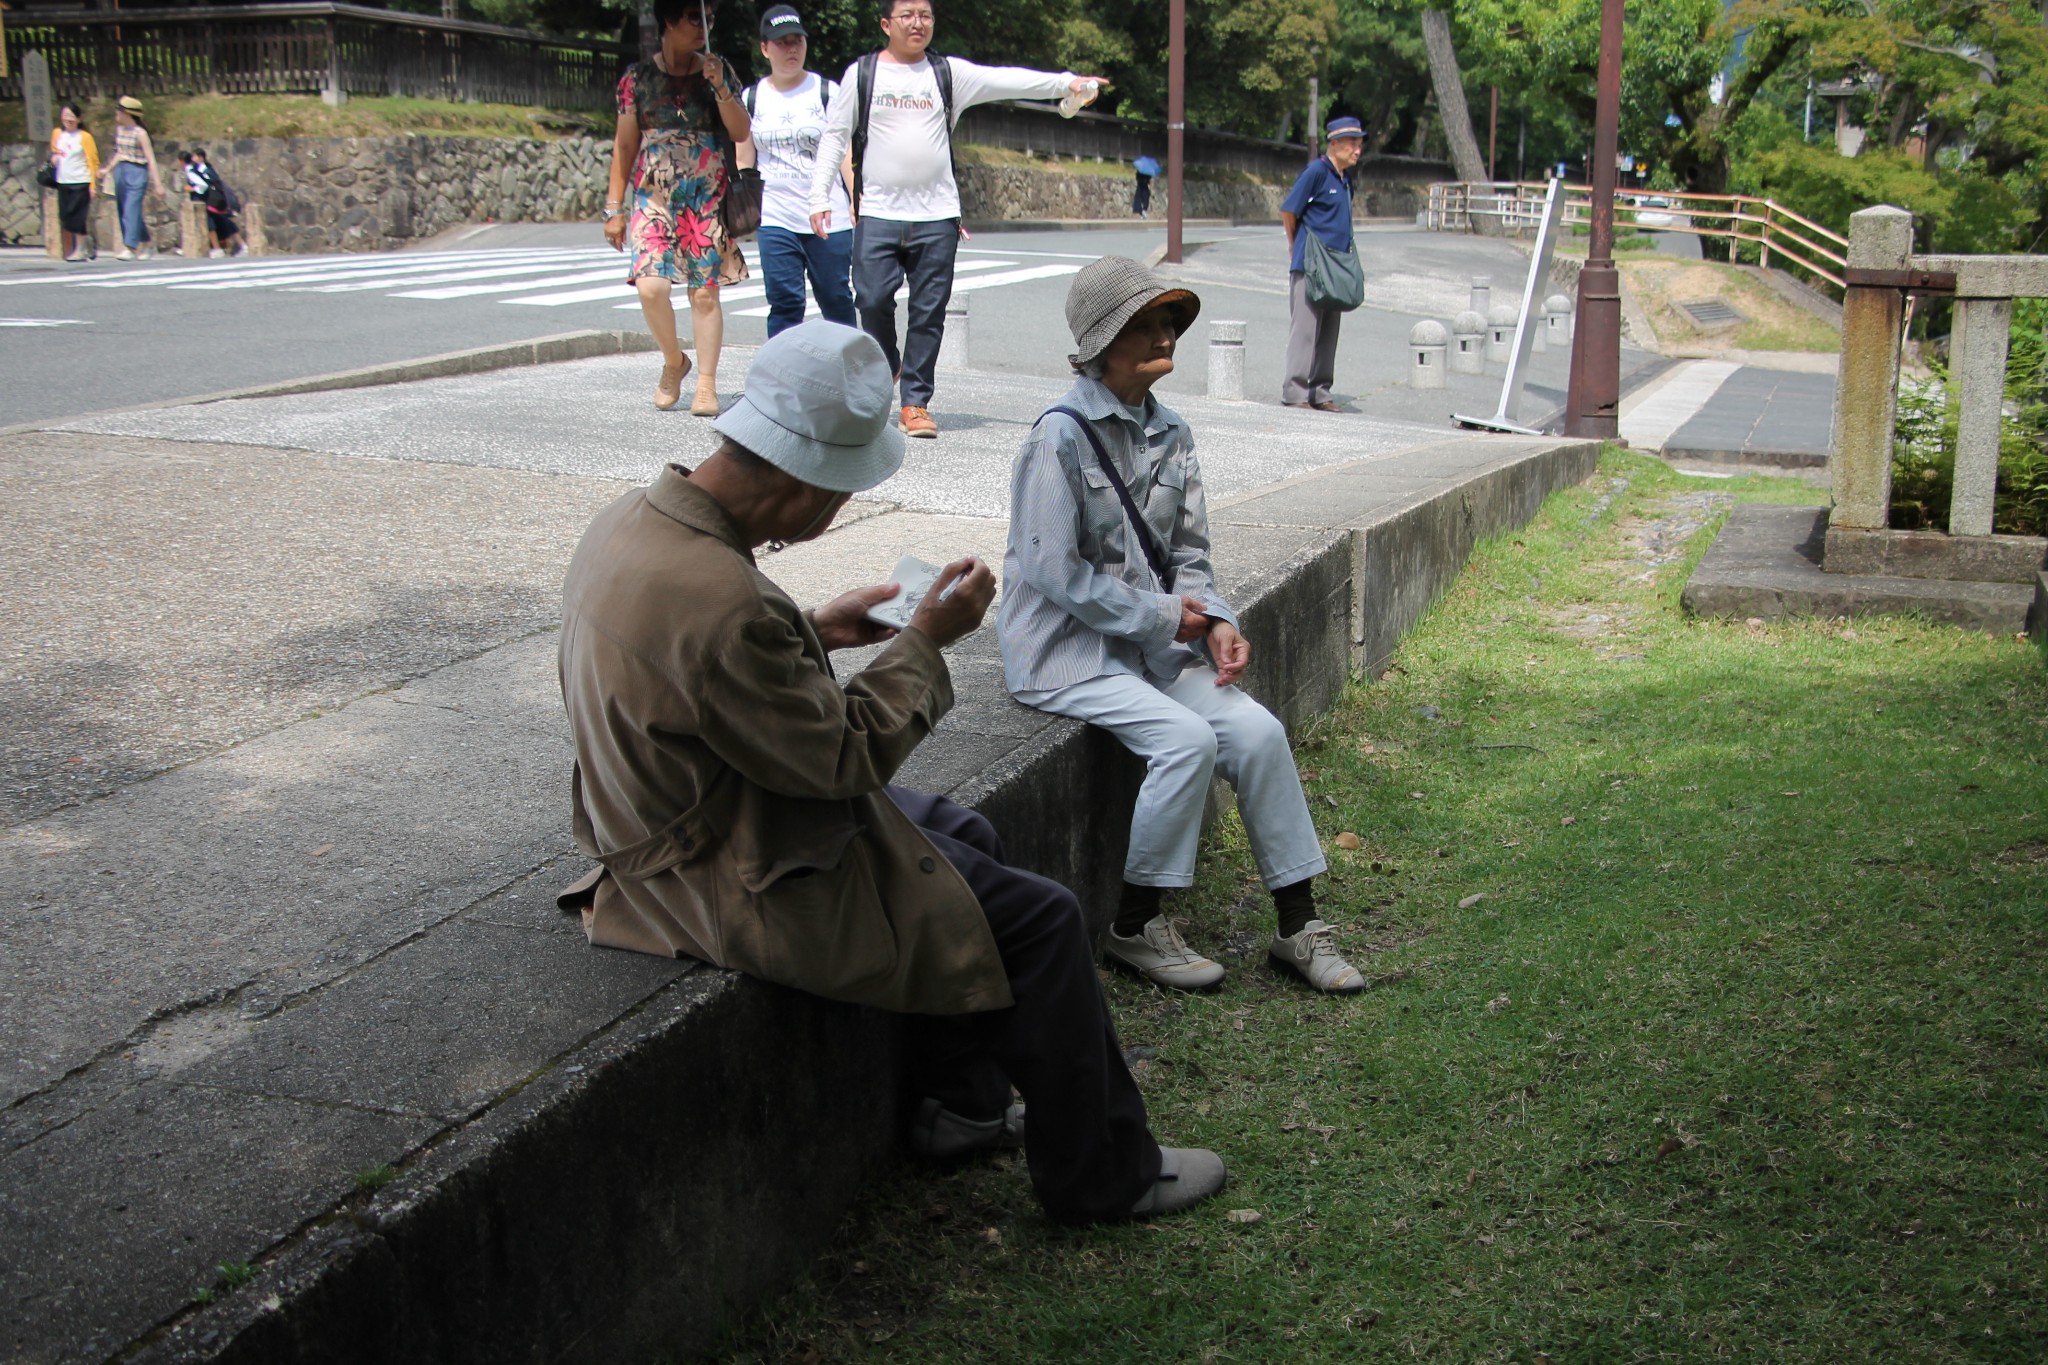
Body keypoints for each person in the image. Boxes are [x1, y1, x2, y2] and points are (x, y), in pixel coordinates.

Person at [556, 319, 1226, 1224]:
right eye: (837, 495)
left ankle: (965, 1104)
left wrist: (813, 629)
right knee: (1045, 919)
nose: (833, 513)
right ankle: (1103, 1172)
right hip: (717, 868)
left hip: (679, 814)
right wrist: (923, 642)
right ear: (798, 482)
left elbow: (705, 668)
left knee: (965, 838)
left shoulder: (634, 523)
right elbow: (840, 758)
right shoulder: (727, 603)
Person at [998, 256, 1366, 997]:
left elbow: (1190, 554)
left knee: (1257, 730)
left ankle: (1299, 925)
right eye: (1145, 321)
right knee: (1187, 739)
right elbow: (1053, 573)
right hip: (1066, 654)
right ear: (1102, 342)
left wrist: (1217, 622)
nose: (1166, 332)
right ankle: (1135, 925)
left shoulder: (1174, 434)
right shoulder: (1057, 439)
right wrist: (1169, 616)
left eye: (1169, 319)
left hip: (1149, 650)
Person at [807, 0, 1107, 440]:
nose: (918, 23)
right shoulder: (863, 73)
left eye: (925, 15)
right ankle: (890, 363)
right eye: (907, 15)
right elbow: (835, 135)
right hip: (878, 212)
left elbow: (1005, 79)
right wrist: (819, 196)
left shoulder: (947, 73)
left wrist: (1067, 82)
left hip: (938, 214)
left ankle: (915, 402)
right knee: (871, 299)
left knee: (929, 311)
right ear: (886, 24)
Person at [604, 0, 752, 416]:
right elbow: (625, 145)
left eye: (708, 18)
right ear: (669, 20)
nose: (703, 26)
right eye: (693, 18)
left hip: (704, 195)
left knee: (704, 293)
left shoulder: (716, 71)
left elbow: (741, 131)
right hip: (653, 195)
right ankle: (674, 361)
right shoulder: (638, 78)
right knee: (651, 286)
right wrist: (613, 207)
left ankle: (706, 382)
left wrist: (721, 86)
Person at [734, 5, 857, 337]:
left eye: (796, 41)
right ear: (765, 48)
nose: (791, 49)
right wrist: (742, 209)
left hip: (829, 214)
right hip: (776, 215)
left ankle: (848, 374)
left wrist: (856, 198)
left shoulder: (827, 92)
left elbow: (844, 152)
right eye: (781, 42)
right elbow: (745, 158)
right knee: (785, 302)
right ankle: (782, 381)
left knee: (835, 297)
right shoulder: (752, 98)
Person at [1279, 116, 1366, 413]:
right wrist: (1295, 246)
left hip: (1336, 266)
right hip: (1311, 262)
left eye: (1359, 144)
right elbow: (1289, 210)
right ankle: (1295, 391)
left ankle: (1320, 391)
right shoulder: (1316, 172)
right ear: (1335, 143)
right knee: (1305, 329)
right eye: (1353, 143)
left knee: (1329, 329)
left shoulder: (1345, 179)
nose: (1357, 150)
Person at [99, 95, 165, 262]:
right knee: (125, 210)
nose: (116, 114)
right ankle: (149, 244)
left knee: (131, 209)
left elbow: (150, 158)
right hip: (121, 171)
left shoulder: (140, 133)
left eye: (119, 111)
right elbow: (119, 153)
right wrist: (107, 169)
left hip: (137, 171)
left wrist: (158, 184)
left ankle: (130, 247)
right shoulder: (119, 131)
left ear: (127, 113)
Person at [48, 103, 97, 263]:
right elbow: (55, 152)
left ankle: (80, 249)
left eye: (71, 116)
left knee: (77, 217)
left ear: (79, 118)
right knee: (65, 216)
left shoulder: (84, 137)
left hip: (81, 180)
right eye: (65, 115)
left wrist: (93, 185)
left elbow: (93, 161)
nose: (68, 119)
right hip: (63, 180)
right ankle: (87, 242)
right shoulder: (57, 134)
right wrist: (54, 158)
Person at [188, 149, 246, 257]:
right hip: (217, 201)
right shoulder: (210, 169)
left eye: (195, 156)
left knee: (211, 224)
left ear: (201, 157)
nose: (193, 159)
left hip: (208, 201)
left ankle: (217, 248)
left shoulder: (198, 171)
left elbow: (203, 187)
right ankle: (241, 245)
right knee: (224, 221)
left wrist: (192, 189)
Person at [1132, 154, 1160, 219]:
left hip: (1140, 186)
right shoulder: (1148, 172)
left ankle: (1141, 211)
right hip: (1144, 186)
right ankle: (1143, 211)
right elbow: (1148, 179)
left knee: (1139, 199)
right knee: (1145, 198)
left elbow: (1137, 178)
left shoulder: (1140, 171)